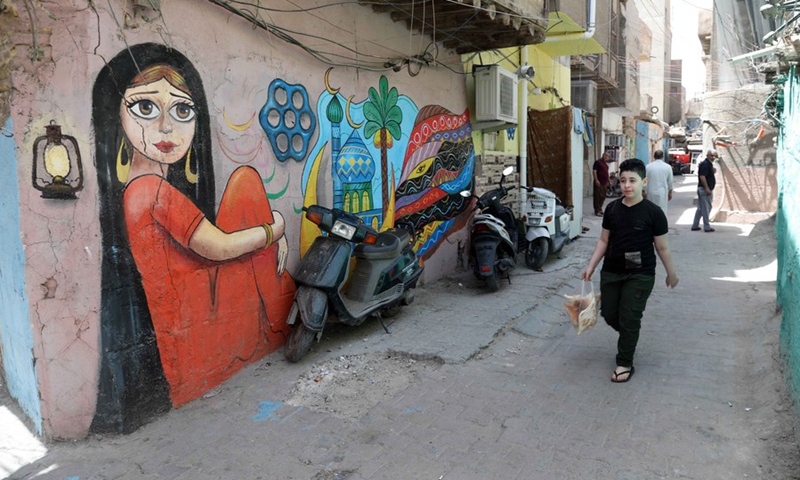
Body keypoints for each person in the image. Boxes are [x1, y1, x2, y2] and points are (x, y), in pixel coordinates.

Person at [92, 44, 297, 431]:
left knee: (244, 185)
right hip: (195, 321)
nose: (166, 127)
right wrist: (275, 231)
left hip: (196, 309)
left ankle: (280, 304)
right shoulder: (152, 191)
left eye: (182, 110)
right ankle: (280, 312)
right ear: (116, 115)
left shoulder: (137, 191)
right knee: (246, 182)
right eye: (145, 108)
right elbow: (218, 247)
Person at [582, 158, 679, 383]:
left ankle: (624, 361)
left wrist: (671, 272)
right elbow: (604, 241)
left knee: (629, 316)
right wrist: (591, 266)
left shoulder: (654, 213)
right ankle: (629, 332)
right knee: (608, 312)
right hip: (612, 271)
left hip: (641, 273)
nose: (627, 185)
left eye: (632, 180)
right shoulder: (612, 209)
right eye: (623, 180)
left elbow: (662, 247)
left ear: (643, 182)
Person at [691, 148, 718, 232]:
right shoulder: (706, 164)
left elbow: (706, 175)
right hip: (704, 189)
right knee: (706, 208)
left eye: (715, 156)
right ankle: (706, 227)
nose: (713, 157)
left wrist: (712, 171)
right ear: (708, 155)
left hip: (702, 189)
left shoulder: (708, 164)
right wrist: (707, 188)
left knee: (700, 208)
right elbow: (702, 176)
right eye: (712, 155)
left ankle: (695, 225)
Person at [644, 150, 674, 215]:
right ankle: (661, 223)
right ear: (662, 157)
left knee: (650, 210)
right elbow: (670, 182)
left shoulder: (648, 167)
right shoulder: (667, 167)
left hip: (650, 192)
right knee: (662, 210)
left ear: (654, 156)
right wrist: (670, 192)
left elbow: (644, 181)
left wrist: (644, 191)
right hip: (662, 192)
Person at [592, 151, 610, 216]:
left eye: (608, 156)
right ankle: (597, 211)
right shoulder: (598, 162)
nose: (606, 157)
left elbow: (607, 174)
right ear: (603, 155)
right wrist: (596, 180)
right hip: (599, 182)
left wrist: (609, 181)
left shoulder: (606, 165)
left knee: (603, 196)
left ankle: (600, 209)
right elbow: (594, 171)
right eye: (605, 155)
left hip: (605, 183)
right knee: (598, 196)